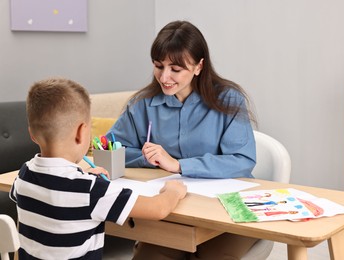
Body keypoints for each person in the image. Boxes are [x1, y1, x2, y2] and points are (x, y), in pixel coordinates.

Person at [107, 20, 259, 259]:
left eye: (175, 70)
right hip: (172, 209)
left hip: (228, 210)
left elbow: (242, 160)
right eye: (158, 66)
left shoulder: (229, 99)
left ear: (199, 66)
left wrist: (178, 165)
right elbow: (111, 147)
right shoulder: (142, 104)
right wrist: (152, 159)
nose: (164, 77)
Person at [9, 77, 187, 260]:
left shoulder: (24, 174)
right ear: (81, 132)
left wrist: (82, 176)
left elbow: (55, 189)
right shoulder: (91, 190)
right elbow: (158, 209)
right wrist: (173, 191)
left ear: (32, 134)